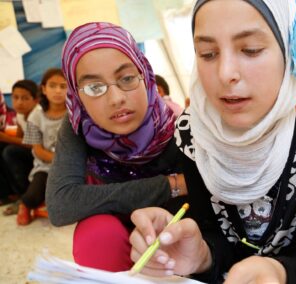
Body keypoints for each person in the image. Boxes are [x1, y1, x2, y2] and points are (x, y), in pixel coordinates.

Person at [129, 1, 296, 283]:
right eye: (208, 53)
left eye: (250, 50)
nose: (226, 73)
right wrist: (201, 254)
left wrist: (276, 271)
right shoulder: (193, 131)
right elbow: (212, 233)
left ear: (289, 51)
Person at [46, 22, 187, 272]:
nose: (116, 98)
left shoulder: (179, 124)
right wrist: (171, 185)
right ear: (77, 95)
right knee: (97, 235)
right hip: (117, 230)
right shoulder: (79, 124)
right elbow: (61, 205)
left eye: (127, 78)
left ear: (145, 73)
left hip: (176, 231)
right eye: (94, 87)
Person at [16, 68, 67, 225]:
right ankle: (26, 206)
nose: (58, 91)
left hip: (73, 166)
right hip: (46, 166)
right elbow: (37, 150)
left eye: (63, 86)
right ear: (44, 89)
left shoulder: (75, 113)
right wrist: (59, 162)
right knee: (32, 196)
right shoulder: (35, 116)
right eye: (52, 86)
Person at [1, 80, 38, 209]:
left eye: (25, 98)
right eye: (15, 98)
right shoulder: (20, 114)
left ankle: (25, 194)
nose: (19, 102)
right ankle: (9, 193)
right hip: (30, 149)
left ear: (36, 100)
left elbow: (35, 145)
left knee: (10, 151)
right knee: (3, 148)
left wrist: (5, 138)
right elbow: (19, 137)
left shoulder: (37, 114)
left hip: (41, 155)